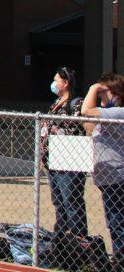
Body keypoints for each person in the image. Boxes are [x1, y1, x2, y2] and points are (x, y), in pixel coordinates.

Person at [81, 73, 124, 259]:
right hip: (107, 178)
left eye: (102, 92)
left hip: (118, 177)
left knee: (118, 223)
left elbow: (86, 112)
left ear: (116, 94)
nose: (99, 96)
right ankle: (118, 258)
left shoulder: (119, 112)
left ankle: (120, 260)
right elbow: (88, 126)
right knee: (114, 223)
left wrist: (92, 88)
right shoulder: (106, 115)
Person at [41, 67, 87, 238]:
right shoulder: (55, 103)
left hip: (69, 157)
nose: (54, 83)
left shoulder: (77, 103)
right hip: (51, 157)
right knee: (59, 202)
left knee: (72, 201)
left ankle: (78, 239)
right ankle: (60, 239)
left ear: (65, 83)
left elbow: (76, 127)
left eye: (56, 80)